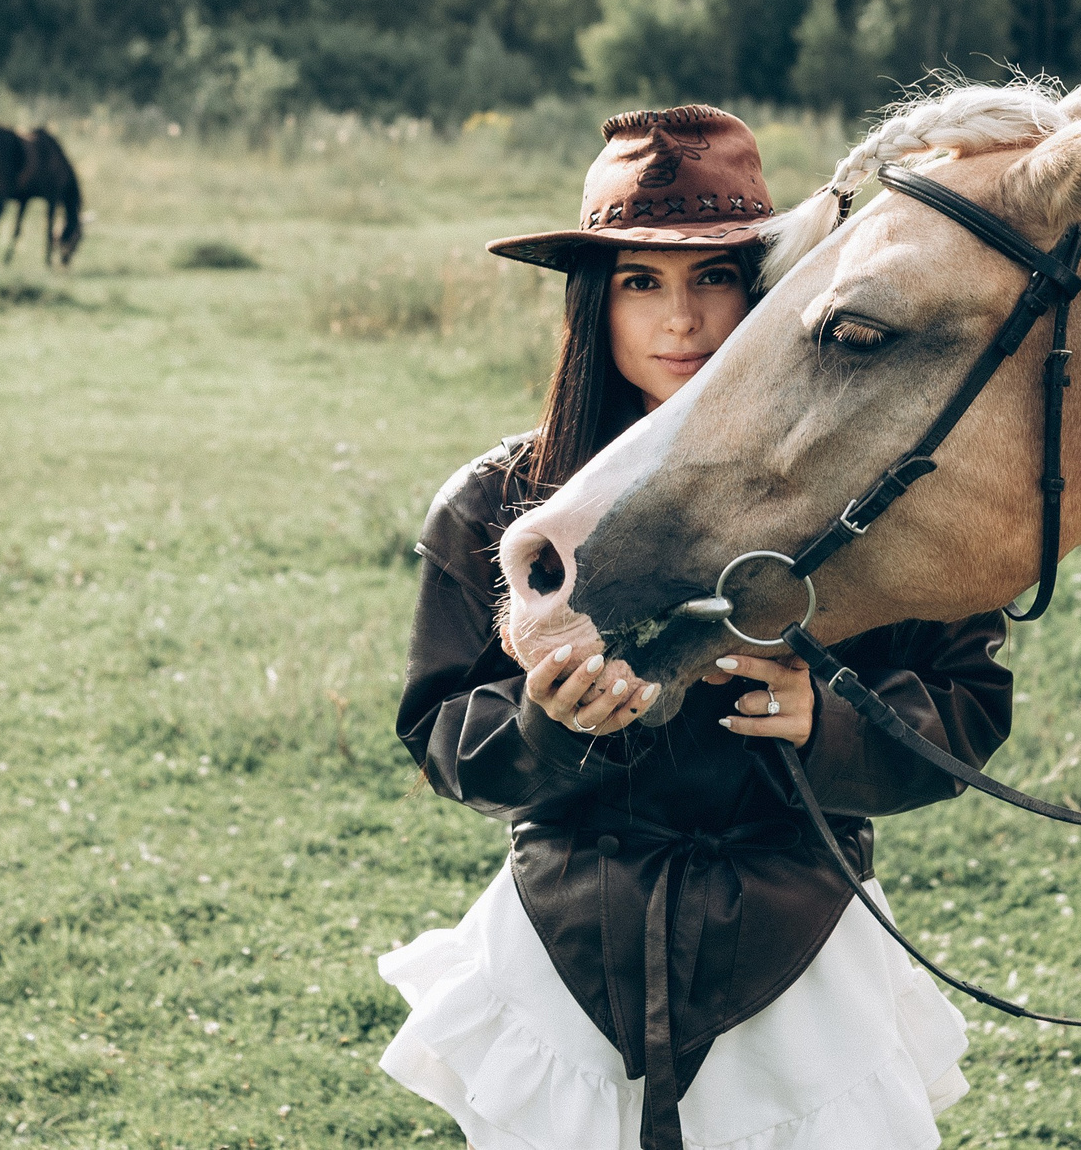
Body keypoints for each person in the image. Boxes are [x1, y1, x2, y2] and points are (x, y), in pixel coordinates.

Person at [378, 105, 1016, 1150]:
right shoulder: (502, 505)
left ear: (768, 285)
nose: (680, 320)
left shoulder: (878, 486)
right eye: (641, 281)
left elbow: (966, 716)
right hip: (565, 941)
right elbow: (446, 741)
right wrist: (546, 726)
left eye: (713, 276)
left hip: (803, 937)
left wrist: (827, 718)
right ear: (596, 301)